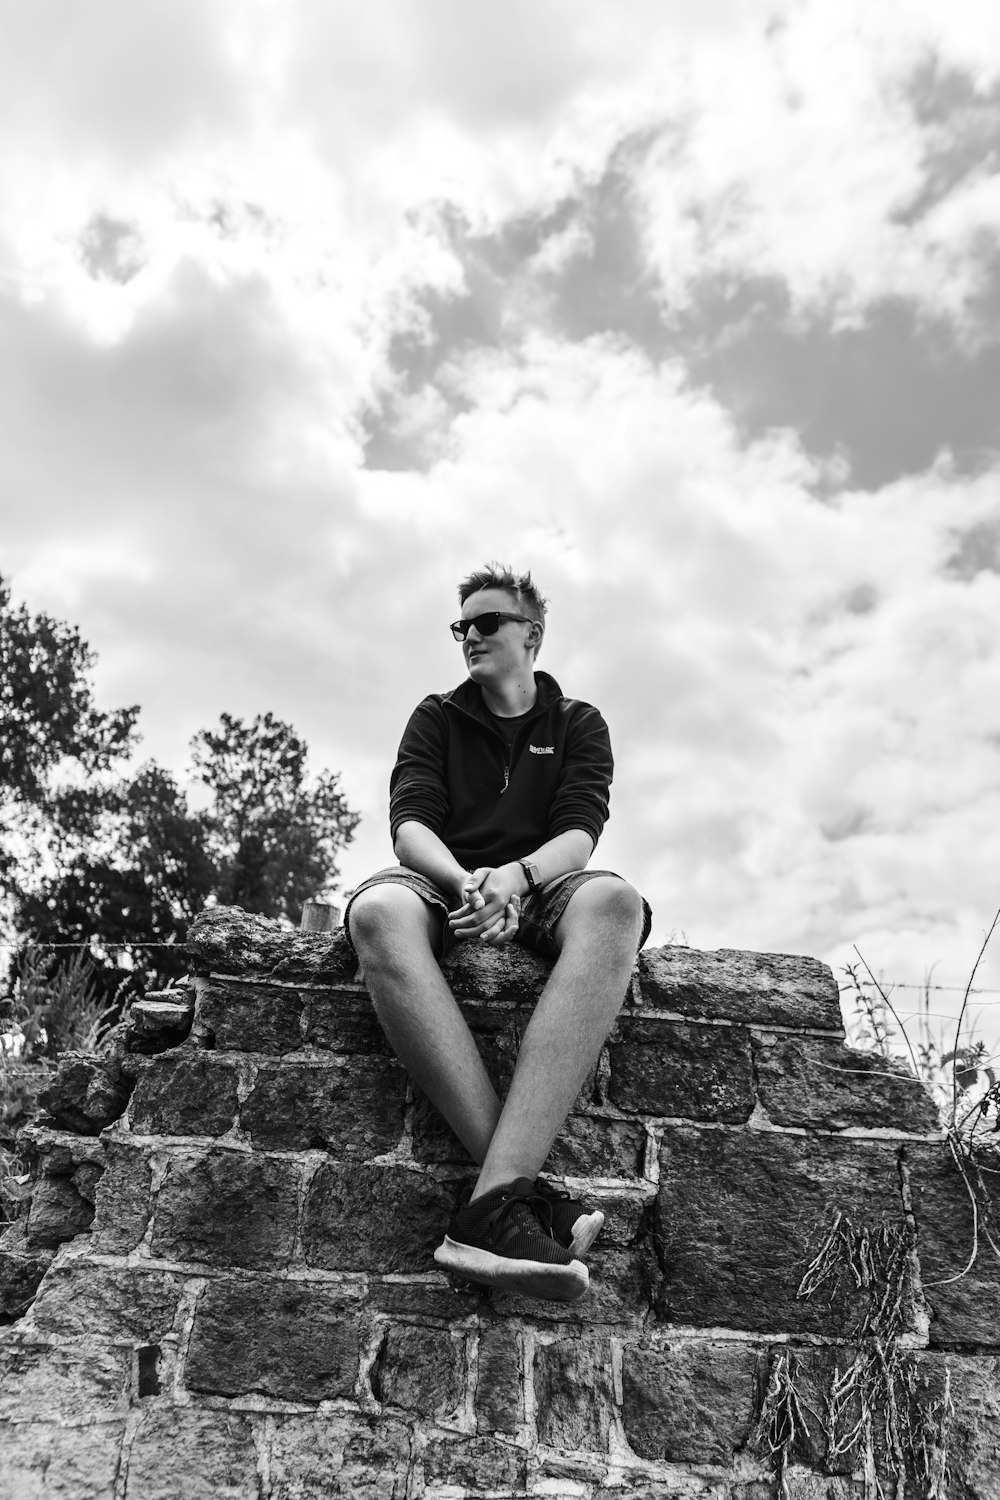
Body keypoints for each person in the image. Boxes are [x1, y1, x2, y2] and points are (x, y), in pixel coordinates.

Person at [345, 564, 651, 1302]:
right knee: (376, 913)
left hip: (539, 883)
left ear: (531, 635)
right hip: (447, 880)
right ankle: (518, 1202)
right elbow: (410, 825)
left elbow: (578, 835)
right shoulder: (437, 716)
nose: (470, 637)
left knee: (616, 904)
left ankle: (493, 1210)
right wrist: (467, 885)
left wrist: (514, 880)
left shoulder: (579, 723)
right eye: (462, 627)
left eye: (487, 624)